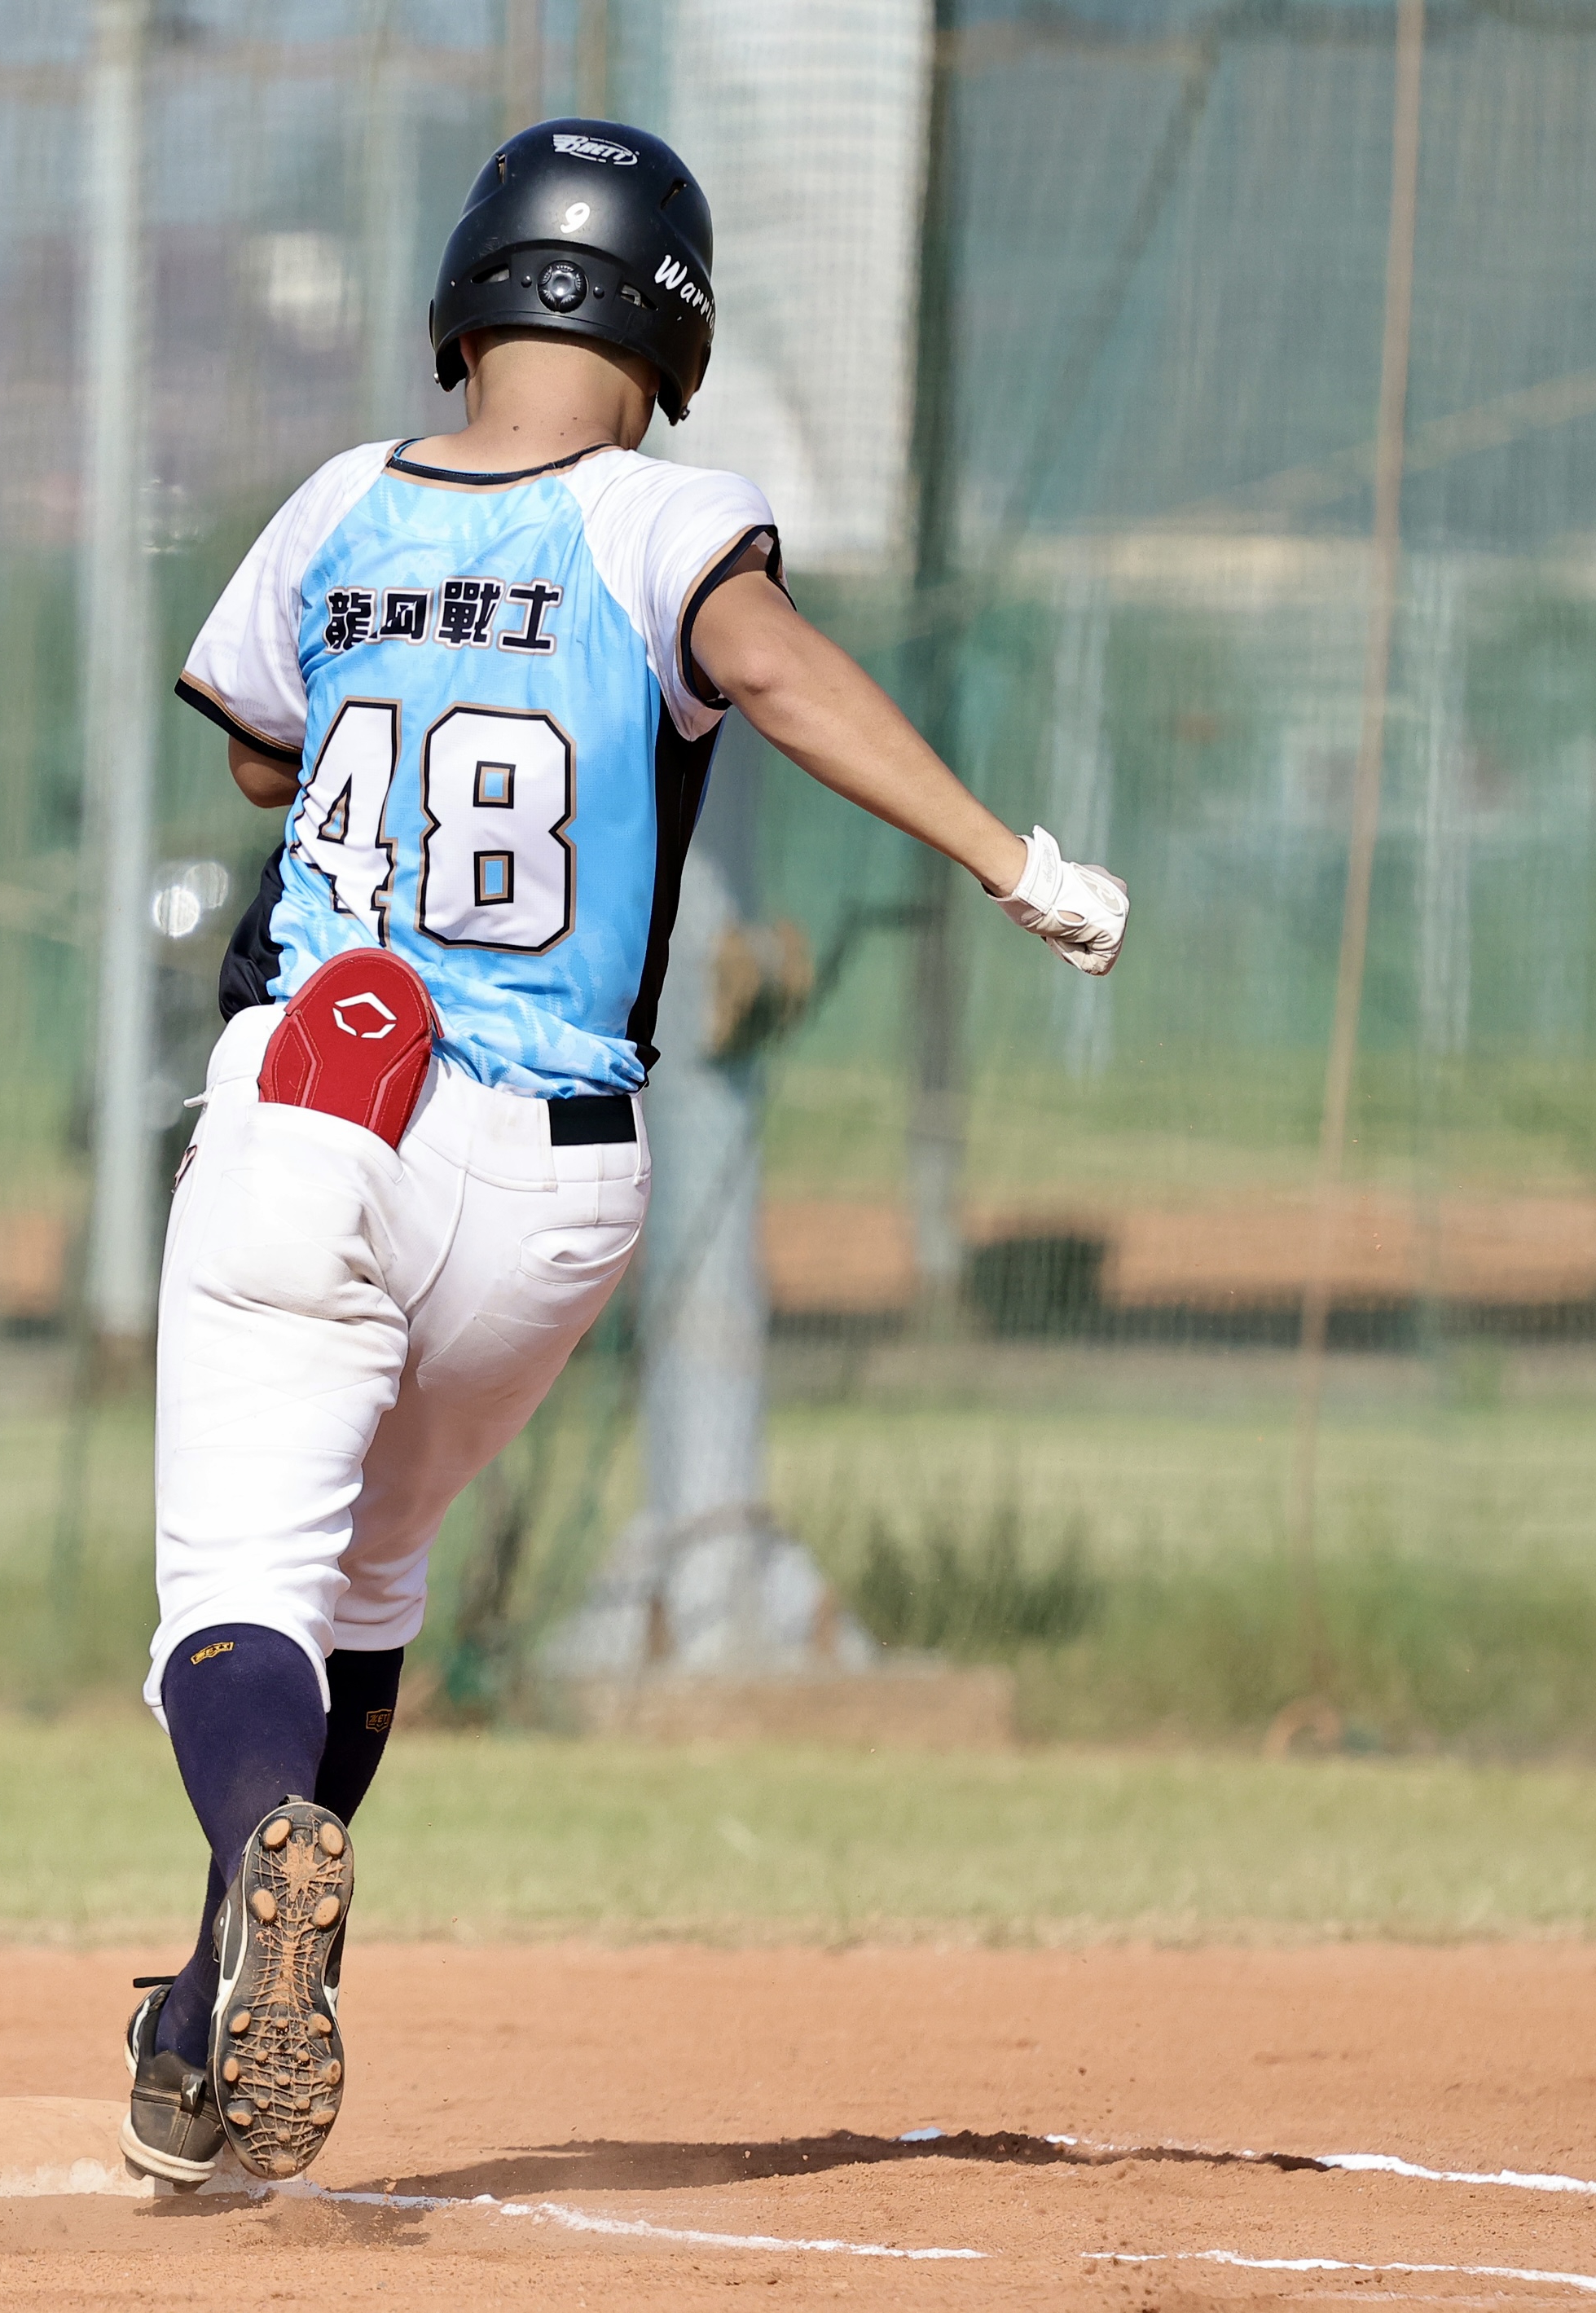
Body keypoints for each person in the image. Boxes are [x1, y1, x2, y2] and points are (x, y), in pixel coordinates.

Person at [121, 119, 1128, 2188]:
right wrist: (1009, 859)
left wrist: (404, 669)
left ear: (462, 305)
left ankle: (258, 1865)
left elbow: (253, 733)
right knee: (373, 1572)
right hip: (563, 1180)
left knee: (241, 1592)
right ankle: (215, 2004)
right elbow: (767, 670)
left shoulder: (335, 501)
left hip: (323, 1102)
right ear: (667, 340)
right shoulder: (674, 520)